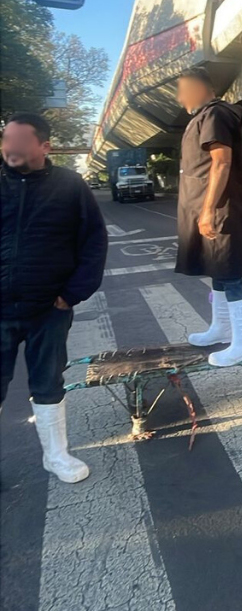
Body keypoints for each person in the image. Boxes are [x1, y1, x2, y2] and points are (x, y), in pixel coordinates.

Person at [0, 113, 106, 484]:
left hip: (49, 309)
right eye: (5, 140)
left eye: (18, 141)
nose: (9, 148)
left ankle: (56, 456)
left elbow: (93, 241)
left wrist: (73, 292)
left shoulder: (69, 185)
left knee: (48, 383)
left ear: (44, 146)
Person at [174, 66, 242, 367]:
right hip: (208, 206)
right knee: (218, 269)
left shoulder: (215, 114)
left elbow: (221, 163)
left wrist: (208, 210)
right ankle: (221, 329)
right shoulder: (203, 116)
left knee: (229, 273)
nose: (179, 96)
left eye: (183, 88)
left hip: (221, 209)